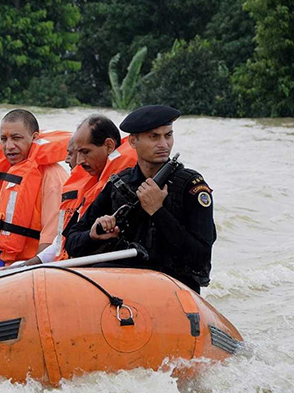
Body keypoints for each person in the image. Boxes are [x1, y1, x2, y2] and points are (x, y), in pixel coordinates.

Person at [63, 105, 216, 293]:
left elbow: (200, 257)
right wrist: (93, 235)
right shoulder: (118, 184)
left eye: (168, 135)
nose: (164, 144)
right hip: (122, 287)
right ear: (133, 141)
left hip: (174, 289)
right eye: (154, 137)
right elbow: (71, 241)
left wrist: (158, 212)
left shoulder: (191, 187)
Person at [21, 114, 137, 266]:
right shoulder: (91, 184)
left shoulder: (126, 186)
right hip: (67, 266)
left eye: (85, 152)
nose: (79, 161)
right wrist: (35, 263)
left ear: (109, 146)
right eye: (77, 153)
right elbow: (66, 238)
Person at [0, 109, 70, 267]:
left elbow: (50, 241)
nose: (9, 146)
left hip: (29, 267)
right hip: (0, 263)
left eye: (16, 138)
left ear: (34, 138)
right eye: (4, 139)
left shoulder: (52, 177)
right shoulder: (6, 172)